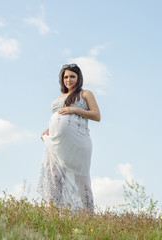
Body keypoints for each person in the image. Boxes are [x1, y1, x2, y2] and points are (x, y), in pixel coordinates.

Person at [37, 63, 101, 212]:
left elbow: (97, 116)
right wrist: (48, 130)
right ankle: (52, 212)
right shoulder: (59, 97)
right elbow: (58, 117)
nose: (69, 80)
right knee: (55, 176)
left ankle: (87, 214)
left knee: (81, 178)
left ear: (78, 78)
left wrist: (74, 109)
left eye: (72, 76)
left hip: (78, 142)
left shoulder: (85, 94)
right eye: (66, 77)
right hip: (57, 142)